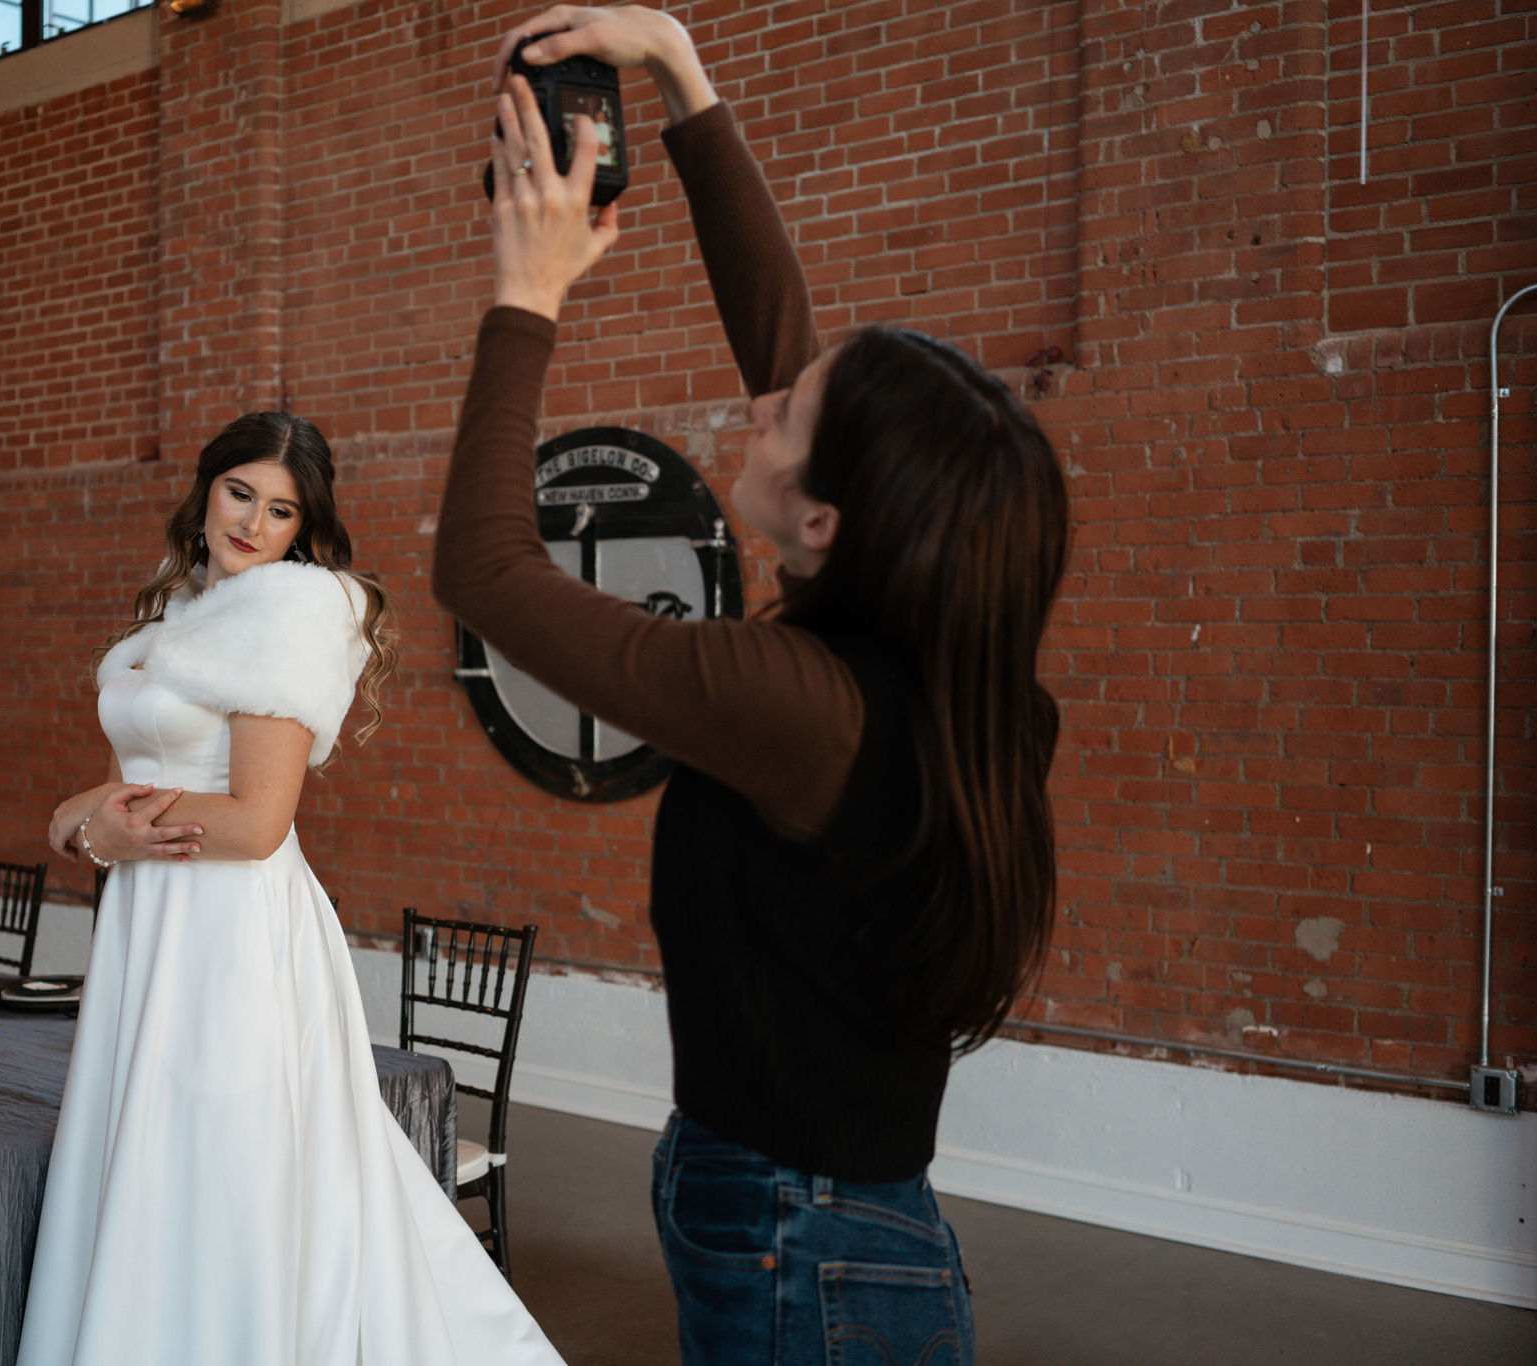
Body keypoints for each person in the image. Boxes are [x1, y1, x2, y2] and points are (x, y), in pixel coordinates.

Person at [435, 7, 1070, 1364]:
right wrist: (676, 63)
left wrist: (525, 295)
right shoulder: (934, 669)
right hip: (821, 1221)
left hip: (808, 1240)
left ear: (836, 519)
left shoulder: (803, 704)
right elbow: (786, 337)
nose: (758, 404)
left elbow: (486, 572)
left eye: (790, 413)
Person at [18, 411, 565, 1365]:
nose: (252, 523)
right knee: (150, 1155)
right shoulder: (181, 613)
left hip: (231, 926)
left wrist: (103, 825)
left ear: (301, 531)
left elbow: (257, 823)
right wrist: (90, 823)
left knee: (222, 1163)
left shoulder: (290, 613)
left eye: (280, 511)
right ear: (207, 490)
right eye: (240, 493)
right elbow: (123, 788)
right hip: (154, 915)